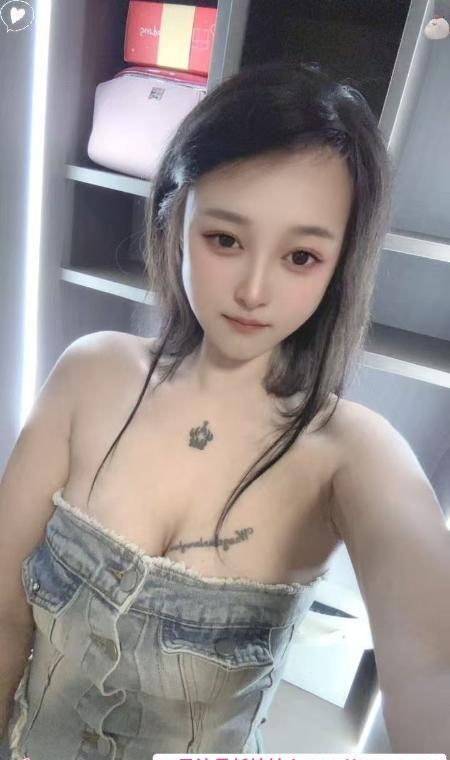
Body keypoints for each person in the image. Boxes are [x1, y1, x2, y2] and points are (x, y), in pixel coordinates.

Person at [0, 59, 449, 758]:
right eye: (226, 240)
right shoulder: (90, 373)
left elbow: (433, 667)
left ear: (340, 265)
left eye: (301, 257)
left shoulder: (353, 455)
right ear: (175, 217)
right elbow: (4, 615)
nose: (254, 290)